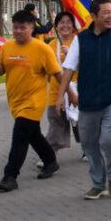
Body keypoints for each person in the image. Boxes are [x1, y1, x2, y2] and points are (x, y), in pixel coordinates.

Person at [56, 0, 111, 200]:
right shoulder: (81, 39)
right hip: (88, 101)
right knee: (89, 143)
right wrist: (61, 96)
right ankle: (97, 183)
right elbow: (68, 68)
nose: (110, 16)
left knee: (108, 139)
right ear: (93, 16)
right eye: (105, 12)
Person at [0, 10, 65, 193]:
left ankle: (10, 176)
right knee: (33, 135)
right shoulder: (7, 47)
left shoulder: (42, 49)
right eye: (15, 27)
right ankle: (50, 161)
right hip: (15, 101)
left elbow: (57, 74)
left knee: (20, 136)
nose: (18, 31)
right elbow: (0, 71)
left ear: (32, 28)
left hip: (34, 102)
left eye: (23, 28)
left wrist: (66, 95)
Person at [44, 12, 81, 160]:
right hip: (56, 90)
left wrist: (72, 54)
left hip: (78, 89)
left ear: (73, 25)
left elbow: (87, 66)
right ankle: (50, 156)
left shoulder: (79, 42)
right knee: (56, 120)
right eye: (61, 22)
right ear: (56, 26)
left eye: (68, 22)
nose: (65, 25)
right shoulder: (51, 45)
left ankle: (88, 147)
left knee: (81, 122)